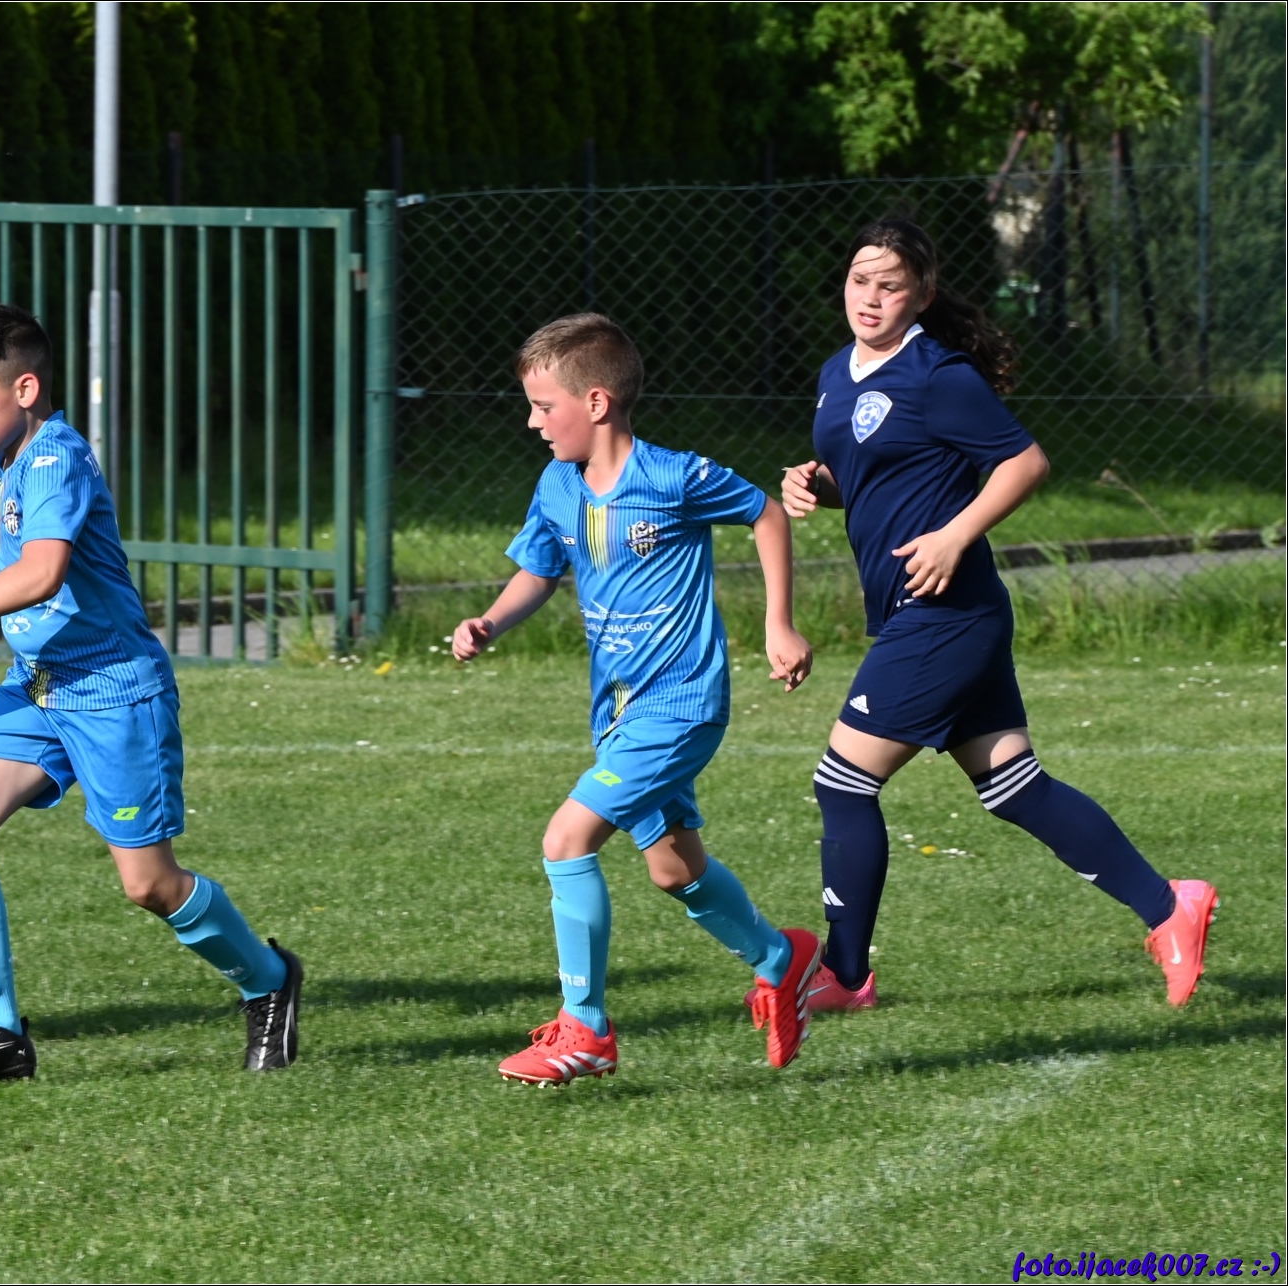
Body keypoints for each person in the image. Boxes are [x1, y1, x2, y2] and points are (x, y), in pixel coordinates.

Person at [778, 217, 1217, 1013]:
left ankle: (843, 976)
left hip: (943, 613)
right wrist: (816, 483)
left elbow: (1025, 461)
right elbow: (873, 471)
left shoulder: (937, 374)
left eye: (890, 286)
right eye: (859, 280)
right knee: (1014, 787)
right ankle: (1169, 906)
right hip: (938, 614)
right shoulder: (837, 372)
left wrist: (955, 534)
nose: (870, 298)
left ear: (922, 296)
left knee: (842, 783)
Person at [0, 303, 301, 1085]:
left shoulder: (56, 457)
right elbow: (9, 539)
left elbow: (40, 571)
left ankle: (268, 981)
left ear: (24, 389)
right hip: (38, 686)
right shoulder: (11, 455)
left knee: (148, 884)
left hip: (111, 692)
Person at [450, 313, 823, 1081]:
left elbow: (764, 512)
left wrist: (778, 624)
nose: (532, 422)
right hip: (617, 712)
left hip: (681, 705)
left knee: (566, 840)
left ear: (595, 402)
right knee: (675, 869)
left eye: (543, 406)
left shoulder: (674, 477)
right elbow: (540, 570)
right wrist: (491, 620)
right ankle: (780, 959)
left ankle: (584, 1030)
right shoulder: (558, 485)